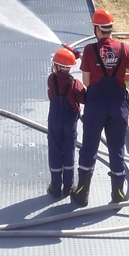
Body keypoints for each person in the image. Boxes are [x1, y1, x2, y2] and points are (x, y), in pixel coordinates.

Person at [72, 9, 129, 206]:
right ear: (111, 28)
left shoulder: (89, 50)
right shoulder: (124, 48)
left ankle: (82, 194)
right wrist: (121, 76)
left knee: (89, 148)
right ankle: (117, 195)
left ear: (96, 28)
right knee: (116, 148)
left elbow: (87, 82)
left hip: (95, 105)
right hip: (118, 106)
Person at [46, 47, 85, 198]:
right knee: (69, 151)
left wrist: (68, 57)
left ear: (58, 67)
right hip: (69, 122)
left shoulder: (51, 79)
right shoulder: (75, 83)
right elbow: (82, 98)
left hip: (55, 120)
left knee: (54, 151)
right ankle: (68, 185)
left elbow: (53, 85)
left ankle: (55, 186)